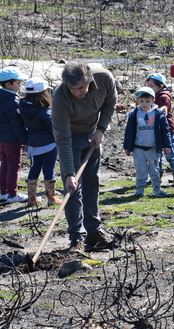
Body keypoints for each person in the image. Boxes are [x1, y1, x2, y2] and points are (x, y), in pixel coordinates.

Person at [51, 61, 116, 251]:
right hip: (70, 137)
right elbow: (62, 139)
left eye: (80, 88)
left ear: (89, 80)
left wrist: (101, 129)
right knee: (72, 188)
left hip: (93, 133)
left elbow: (110, 102)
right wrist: (69, 173)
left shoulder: (104, 78)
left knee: (91, 182)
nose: (77, 92)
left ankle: (94, 232)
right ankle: (76, 239)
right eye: (73, 89)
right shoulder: (60, 98)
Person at [123, 87, 172, 198]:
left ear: (153, 101)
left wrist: (167, 145)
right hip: (138, 148)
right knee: (140, 169)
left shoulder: (159, 114)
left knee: (155, 170)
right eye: (141, 101)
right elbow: (129, 131)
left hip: (153, 148)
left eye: (147, 101)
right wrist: (127, 147)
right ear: (137, 101)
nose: (144, 104)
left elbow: (165, 131)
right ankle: (140, 189)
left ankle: (157, 189)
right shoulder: (134, 114)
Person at [20, 78, 60, 206]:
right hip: (49, 144)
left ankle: (31, 198)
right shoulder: (45, 112)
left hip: (32, 144)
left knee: (34, 168)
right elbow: (53, 129)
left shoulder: (23, 107)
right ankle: (51, 198)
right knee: (49, 170)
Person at [145, 73, 174, 186]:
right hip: (155, 130)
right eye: (148, 86)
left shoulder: (164, 97)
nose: (149, 88)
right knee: (157, 155)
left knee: (170, 154)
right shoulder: (152, 96)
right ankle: (156, 177)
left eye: (151, 86)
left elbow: (161, 112)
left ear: (160, 86)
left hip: (166, 130)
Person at [0, 67, 28, 204]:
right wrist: (25, 140)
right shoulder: (12, 101)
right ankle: (13, 194)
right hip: (12, 140)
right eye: (18, 83)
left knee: (4, 164)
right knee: (13, 166)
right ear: (8, 84)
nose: (20, 85)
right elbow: (17, 125)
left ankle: (3, 193)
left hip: (1, 140)